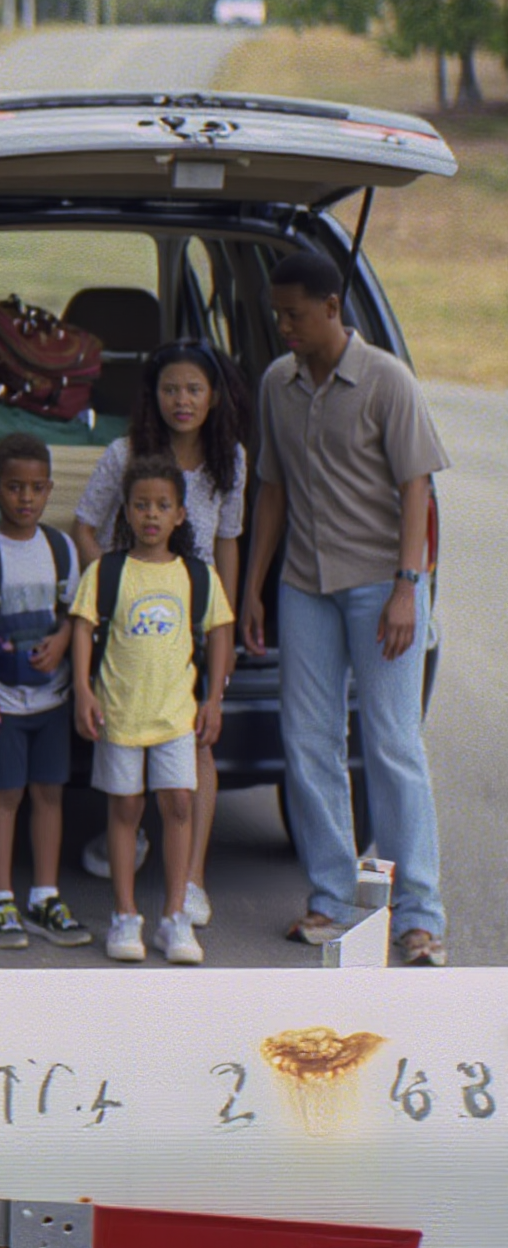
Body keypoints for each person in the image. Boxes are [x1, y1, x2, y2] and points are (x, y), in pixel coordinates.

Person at [241, 249, 450, 967]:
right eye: (277, 315)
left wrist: (405, 587)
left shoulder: (388, 380)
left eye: (294, 314)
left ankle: (418, 915)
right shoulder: (278, 382)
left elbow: (416, 488)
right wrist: (254, 589)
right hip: (304, 584)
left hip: (382, 586)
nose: (284, 325)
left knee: (392, 745)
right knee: (308, 741)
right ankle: (331, 898)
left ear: (333, 308)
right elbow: (272, 490)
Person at [72, 338, 250, 923]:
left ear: (214, 397)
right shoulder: (125, 455)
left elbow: (228, 542)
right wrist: (114, 586)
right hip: (132, 626)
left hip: (194, 618)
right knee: (133, 728)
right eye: (170, 389)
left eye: (194, 390)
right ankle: (131, 835)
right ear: (153, 396)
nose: (182, 401)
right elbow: (84, 526)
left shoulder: (232, 461)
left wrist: (225, 610)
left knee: (196, 738)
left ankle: (192, 878)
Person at [70, 454, 235, 965]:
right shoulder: (108, 571)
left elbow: (220, 631)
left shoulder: (196, 575)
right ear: (126, 511)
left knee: (179, 807)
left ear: (181, 515)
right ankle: (124, 915)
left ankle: (174, 916)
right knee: (124, 809)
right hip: (120, 713)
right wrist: (83, 690)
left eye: (163, 505)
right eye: (141, 505)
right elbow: (81, 627)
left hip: (175, 718)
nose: (151, 515)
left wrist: (213, 700)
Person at [0, 432, 92, 950]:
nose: (25, 499)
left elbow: (77, 614)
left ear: (50, 489)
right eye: (13, 488)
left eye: (35, 488)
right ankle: (0, 899)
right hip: (2, 700)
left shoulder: (60, 549)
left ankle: (45, 896)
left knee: (50, 794)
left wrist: (61, 641)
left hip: (52, 699)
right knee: (5, 794)